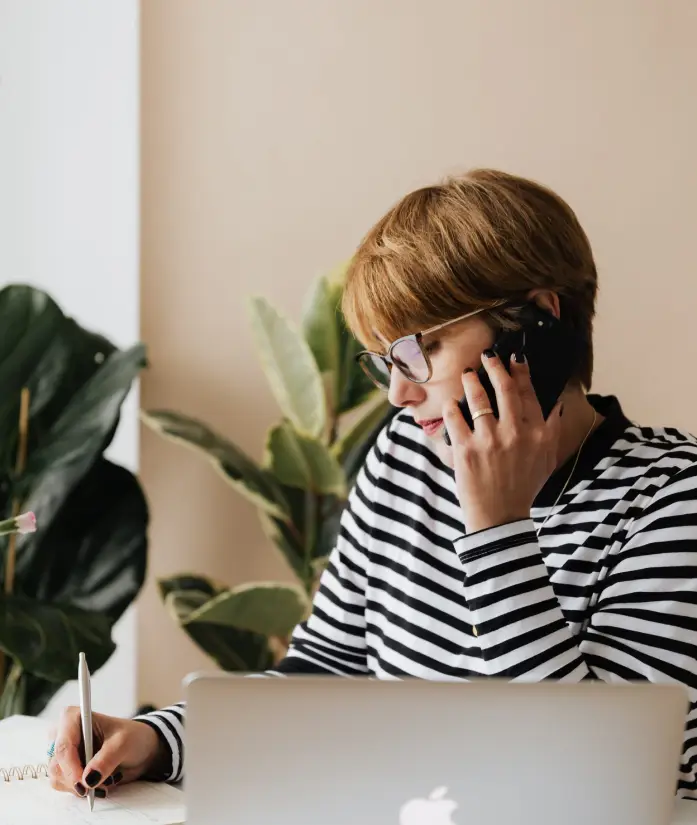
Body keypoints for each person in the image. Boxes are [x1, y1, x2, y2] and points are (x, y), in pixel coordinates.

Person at [48, 169, 697, 800]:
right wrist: (157, 739)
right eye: (386, 358)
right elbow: (324, 671)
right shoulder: (406, 455)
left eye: (423, 349)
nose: (398, 392)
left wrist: (498, 528)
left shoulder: (670, 498)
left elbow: (597, 785)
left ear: (537, 325)